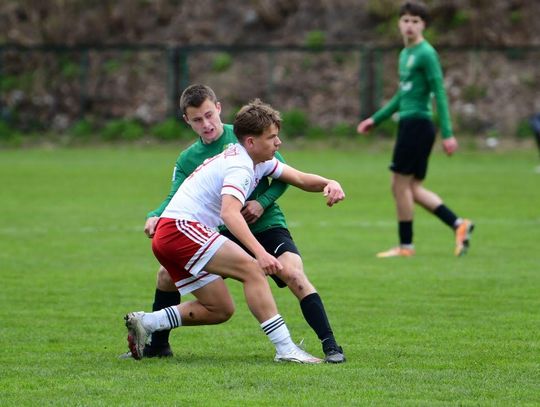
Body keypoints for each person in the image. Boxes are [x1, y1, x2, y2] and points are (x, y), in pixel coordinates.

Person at [124, 97, 346, 364]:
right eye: (272, 138)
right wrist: (260, 253)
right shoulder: (240, 167)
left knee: (220, 309)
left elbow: (298, 178)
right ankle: (286, 349)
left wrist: (329, 182)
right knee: (253, 270)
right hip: (180, 230)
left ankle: (147, 322)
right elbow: (229, 213)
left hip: (171, 236)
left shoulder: (255, 159)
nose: (278, 143)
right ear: (251, 142)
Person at [357, 1, 474, 258]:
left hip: (417, 125)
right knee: (412, 189)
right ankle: (459, 224)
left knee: (398, 185)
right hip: (412, 125)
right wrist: (375, 119)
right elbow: (402, 95)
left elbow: (439, 92)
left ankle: (406, 246)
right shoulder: (405, 54)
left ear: (424, 25)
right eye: (406, 20)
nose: (409, 25)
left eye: (415, 21)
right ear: (399, 23)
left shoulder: (426, 53)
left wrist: (448, 133)